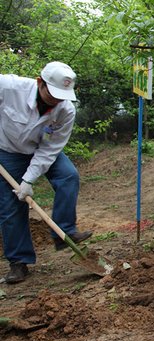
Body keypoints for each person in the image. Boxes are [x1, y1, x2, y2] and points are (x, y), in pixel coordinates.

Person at [0, 61, 93, 284]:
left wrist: (29, 179)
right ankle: (19, 262)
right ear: (39, 82)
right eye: (52, 94)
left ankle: (64, 232)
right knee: (11, 207)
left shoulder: (66, 110)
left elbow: (51, 149)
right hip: (8, 151)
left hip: (41, 150)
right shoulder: (9, 87)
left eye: (61, 95)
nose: (56, 100)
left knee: (68, 176)